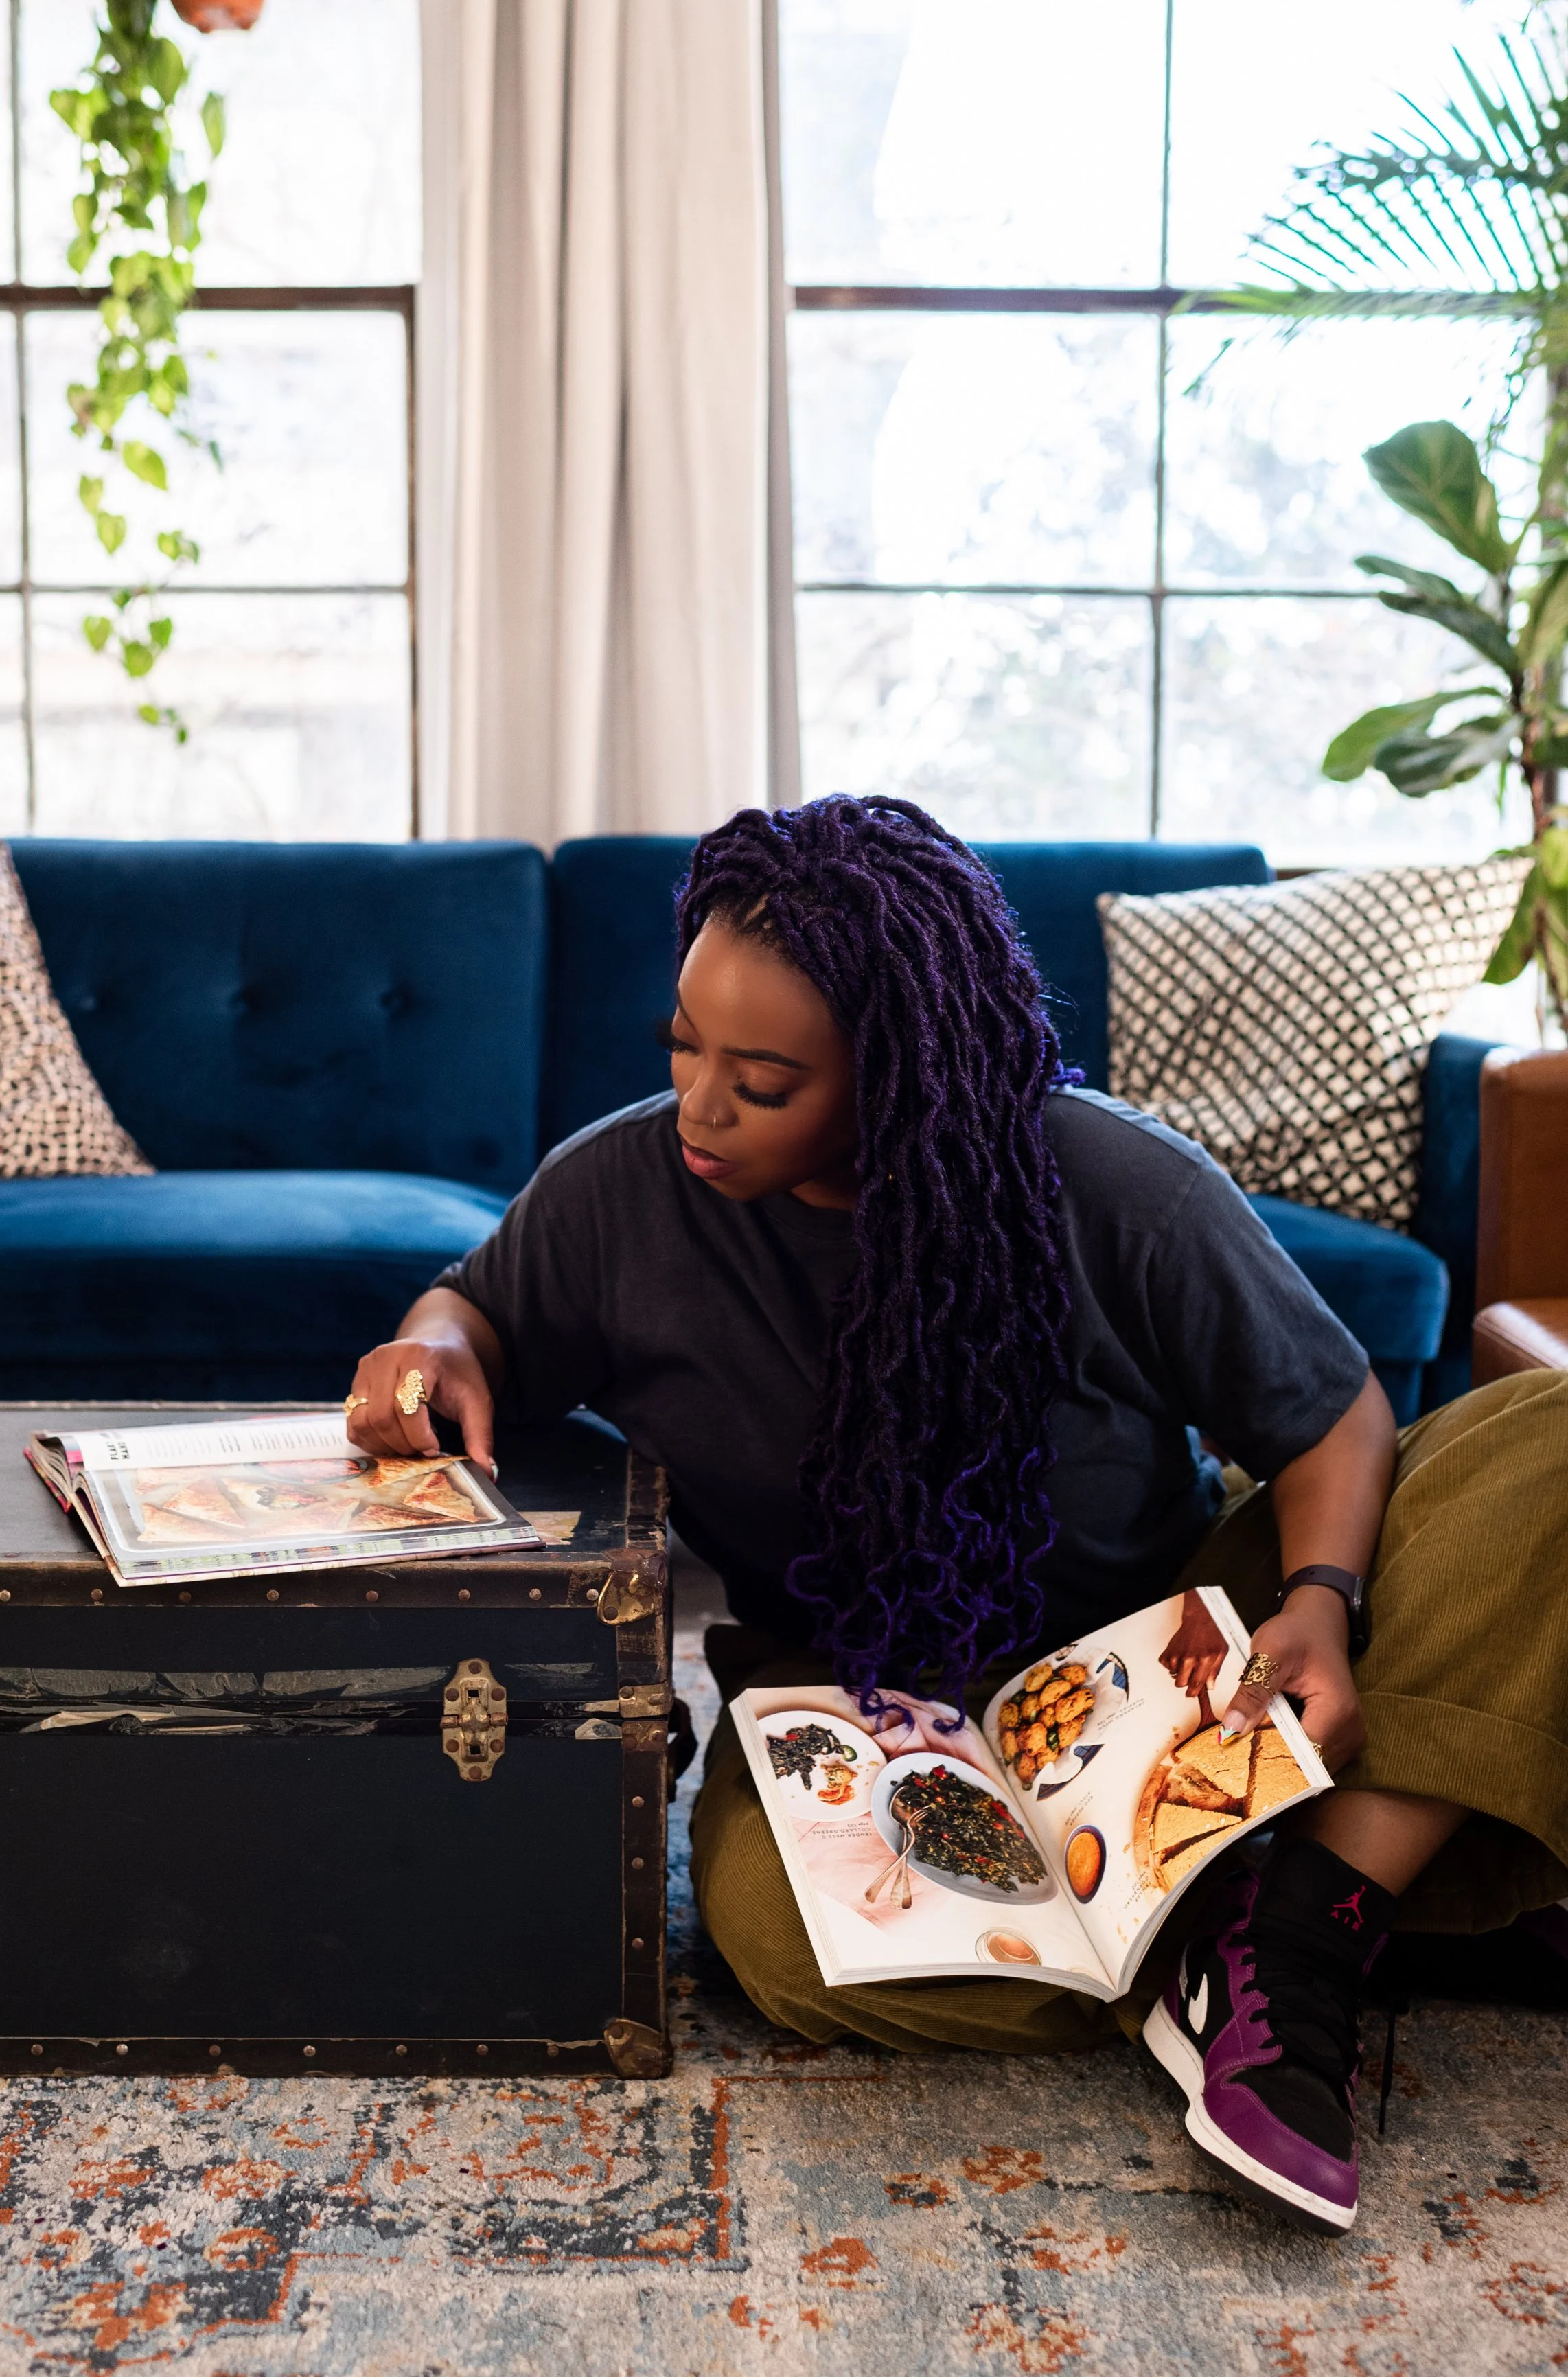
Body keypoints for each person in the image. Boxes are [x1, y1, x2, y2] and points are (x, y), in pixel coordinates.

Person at [345, 794, 1568, 2235]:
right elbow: (480, 1311)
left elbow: (1329, 1415)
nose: (699, 1106)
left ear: (900, 1072)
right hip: (854, 1706)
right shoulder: (623, 1195)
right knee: (776, 1943)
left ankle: (1281, 1922)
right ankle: (1302, 1912)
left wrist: (1317, 1599)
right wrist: (431, 1350)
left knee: (1545, 1438)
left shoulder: (1113, 1182)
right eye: (683, 1046)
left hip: (1172, 1656)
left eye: (764, 1077)